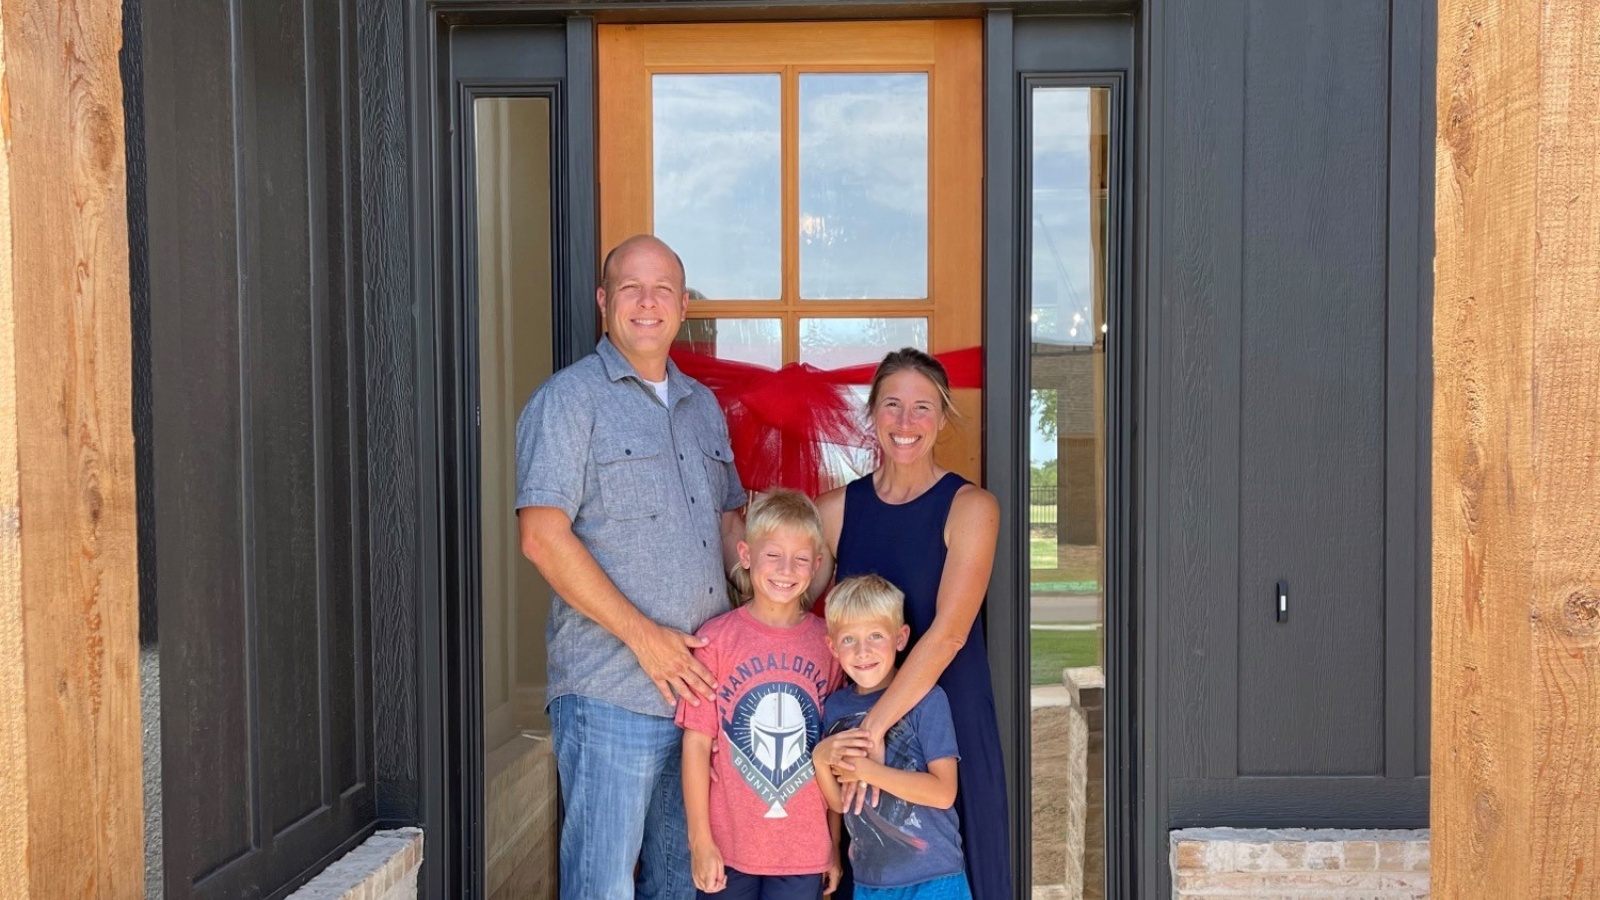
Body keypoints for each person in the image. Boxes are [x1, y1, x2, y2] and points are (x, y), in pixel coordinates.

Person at [516, 235, 746, 899]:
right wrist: (647, 641)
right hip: (611, 693)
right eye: (630, 288)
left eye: (663, 289)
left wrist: (792, 566)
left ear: (680, 309)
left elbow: (730, 527)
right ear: (603, 302)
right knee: (604, 888)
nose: (647, 302)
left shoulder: (703, 407)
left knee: (682, 886)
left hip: (702, 701)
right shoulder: (568, 401)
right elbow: (542, 537)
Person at [815, 348, 1011, 900]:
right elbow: (790, 606)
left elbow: (948, 634)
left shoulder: (971, 507)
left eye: (922, 408)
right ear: (872, 412)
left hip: (947, 715)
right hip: (856, 716)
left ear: (943, 417)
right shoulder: (833, 510)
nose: (906, 423)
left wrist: (871, 731)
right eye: (893, 405)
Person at [678, 489, 843, 899]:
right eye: (773, 555)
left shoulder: (828, 645)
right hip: (728, 848)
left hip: (803, 851)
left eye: (800, 559)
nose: (786, 569)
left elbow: (834, 757)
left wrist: (834, 847)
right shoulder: (715, 640)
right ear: (746, 554)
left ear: (816, 564)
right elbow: (697, 746)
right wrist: (700, 841)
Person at [813, 575, 969, 900]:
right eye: (849, 640)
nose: (863, 651)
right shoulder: (836, 707)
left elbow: (943, 793)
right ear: (831, 646)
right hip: (871, 882)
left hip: (935, 878)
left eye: (875, 636)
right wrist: (820, 759)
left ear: (900, 638)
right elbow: (838, 803)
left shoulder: (926, 700)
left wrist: (869, 773)